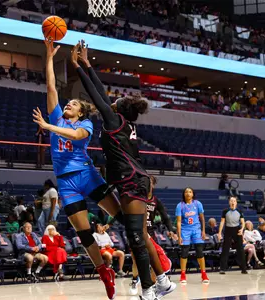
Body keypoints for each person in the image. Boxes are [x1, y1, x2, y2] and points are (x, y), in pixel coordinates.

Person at [72, 40, 175, 300]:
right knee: (140, 234)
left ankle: (149, 290)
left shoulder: (115, 120)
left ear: (117, 108)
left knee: (135, 237)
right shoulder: (122, 123)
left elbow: (96, 95)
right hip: (136, 180)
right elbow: (102, 95)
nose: (110, 101)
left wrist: (78, 68)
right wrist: (87, 63)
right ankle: (162, 281)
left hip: (131, 181)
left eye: (113, 101)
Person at [32, 39, 129, 300]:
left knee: (121, 216)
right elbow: (51, 86)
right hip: (66, 182)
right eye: (68, 103)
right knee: (83, 232)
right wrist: (49, 56)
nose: (68, 104)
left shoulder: (85, 123)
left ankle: (150, 247)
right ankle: (103, 271)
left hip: (87, 176)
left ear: (81, 110)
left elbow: (74, 136)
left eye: (73, 103)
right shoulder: (56, 117)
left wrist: (49, 127)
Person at [129, 176, 176, 295]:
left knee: (155, 260)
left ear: (153, 185)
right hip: (137, 233)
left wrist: (170, 230)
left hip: (150, 233)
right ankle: (135, 279)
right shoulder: (138, 198)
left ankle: (154, 286)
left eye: (149, 182)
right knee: (135, 259)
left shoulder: (156, 201)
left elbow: (165, 217)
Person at [176, 187, 209, 283]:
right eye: (186, 192)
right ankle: (182, 274)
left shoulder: (197, 204)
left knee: (199, 251)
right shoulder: (180, 205)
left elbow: (202, 218)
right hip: (185, 230)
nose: (188, 193)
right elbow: (178, 222)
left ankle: (204, 274)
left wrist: (203, 231)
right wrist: (179, 235)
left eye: (190, 192)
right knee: (184, 252)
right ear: (184, 194)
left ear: (193, 194)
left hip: (196, 230)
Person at [218, 196, 247, 274]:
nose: (232, 202)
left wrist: (242, 229)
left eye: (234, 201)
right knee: (225, 249)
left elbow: (243, 222)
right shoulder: (225, 211)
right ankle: (222, 268)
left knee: (240, 249)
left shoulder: (239, 211)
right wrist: (219, 233)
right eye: (231, 201)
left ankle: (243, 268)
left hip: (237, 230)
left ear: (236, 202)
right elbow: (222, 222)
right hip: (228, 229)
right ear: (229, 202)